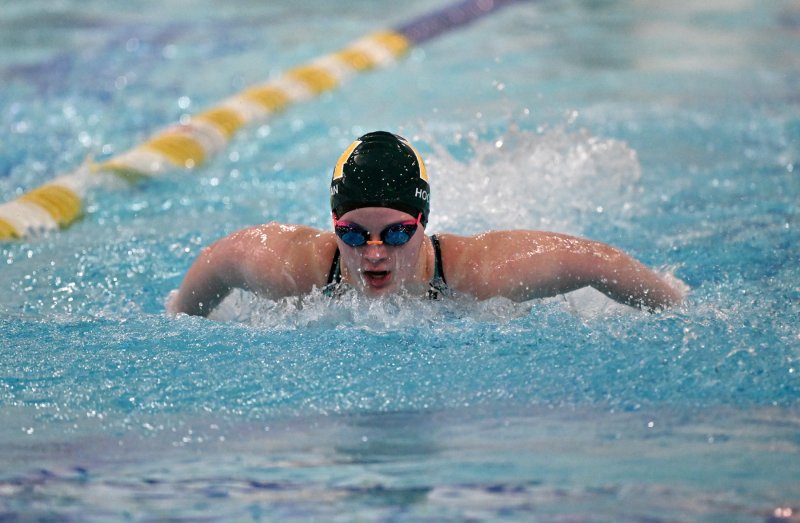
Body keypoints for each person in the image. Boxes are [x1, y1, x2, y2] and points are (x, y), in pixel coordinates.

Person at [167, 131, 685, 317]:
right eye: (352, 233)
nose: (373, 253)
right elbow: (218, 261)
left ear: (421, 223)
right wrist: (179, 320)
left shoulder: (480, 275)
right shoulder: (289, 268)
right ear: (332, 225)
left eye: (395, 233)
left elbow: (595, 261)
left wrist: (679, 311)